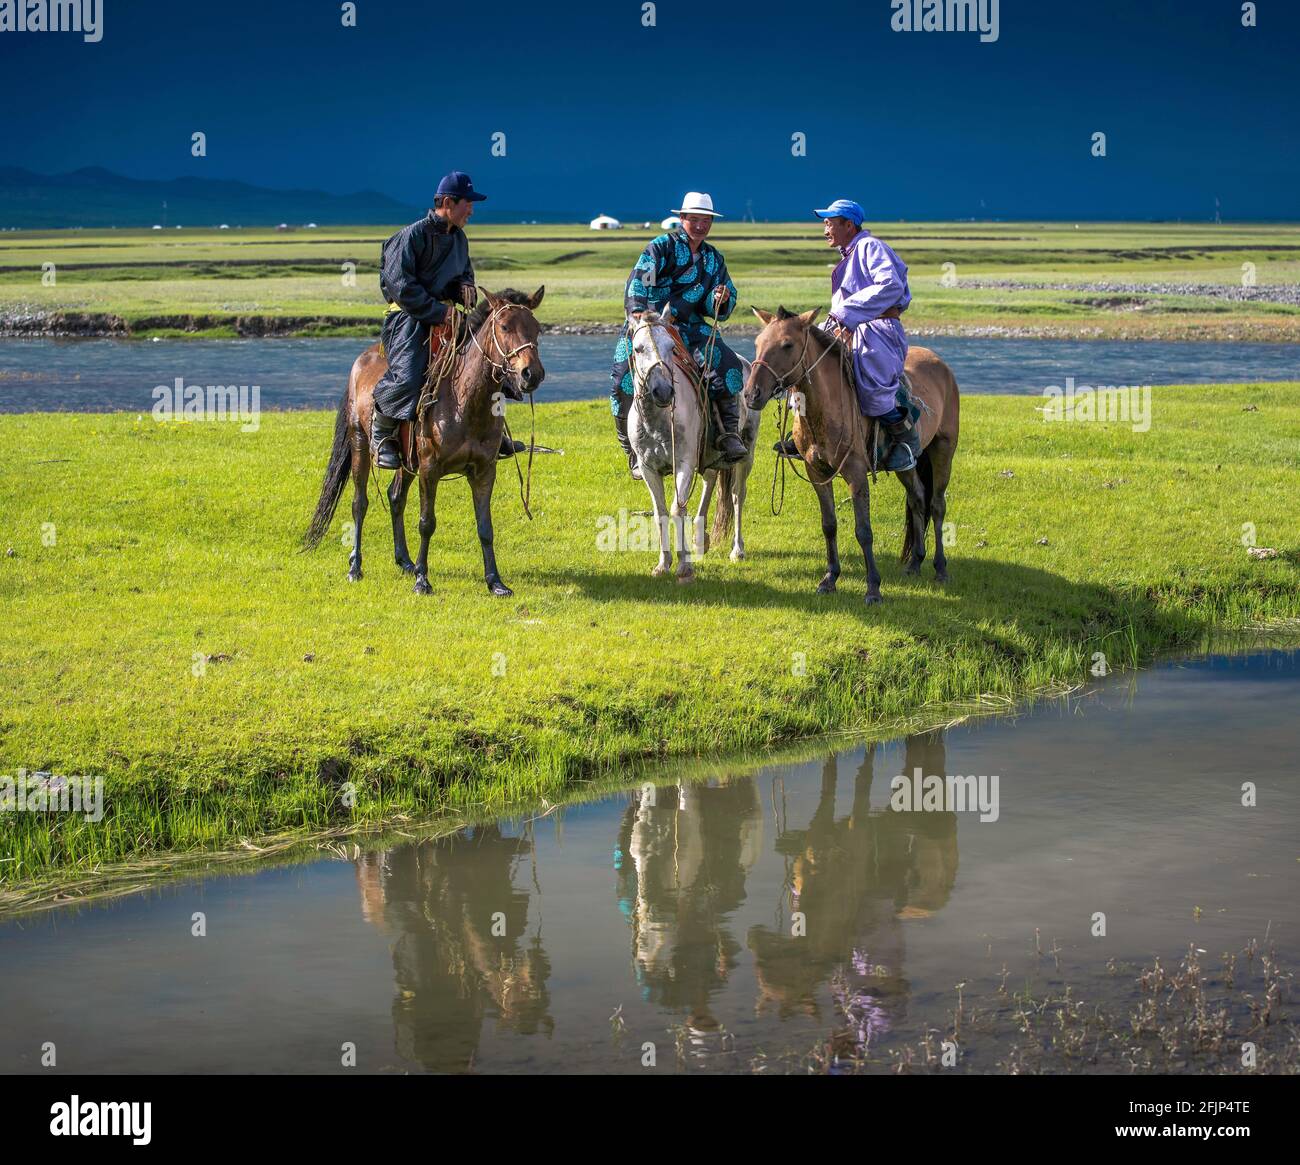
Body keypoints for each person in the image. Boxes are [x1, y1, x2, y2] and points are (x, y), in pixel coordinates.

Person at [370, 171, 523, 468]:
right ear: (449, 202)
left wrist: (464, 288)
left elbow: (465, 275)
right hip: (408, 318)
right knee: (410, 373)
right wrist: (441, 312)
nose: (472, 210)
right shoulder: (410, 236)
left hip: (449, 315)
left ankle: (490, 431)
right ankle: (382, 432)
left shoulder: (459, 239)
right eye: (468, 203)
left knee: (488, 364)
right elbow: (402, 288)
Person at [610, 192, 749, 479]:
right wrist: (638, 315)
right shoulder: (660, 247)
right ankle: (632, 450)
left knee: (727, 367)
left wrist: (720, 298)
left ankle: (728, 435)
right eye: (694, 219)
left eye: (705, 220)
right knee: (621, 377)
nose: (700, 226)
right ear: (682, 218)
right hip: (649, 325)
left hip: (690, 327)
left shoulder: (714, 259)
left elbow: (722, 299)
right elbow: (639, 281)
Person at [775, 199, 920, 471]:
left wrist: (847, 312)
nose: (825, 228)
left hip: (877, 330)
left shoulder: (869, 247)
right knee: (807, 367)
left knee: (872, 382)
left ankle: (904, 440)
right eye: (825, 223)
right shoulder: (850, 252)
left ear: (848, 225)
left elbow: (890, 284)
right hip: (848, 326)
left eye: (830, 223)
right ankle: (804, 433)